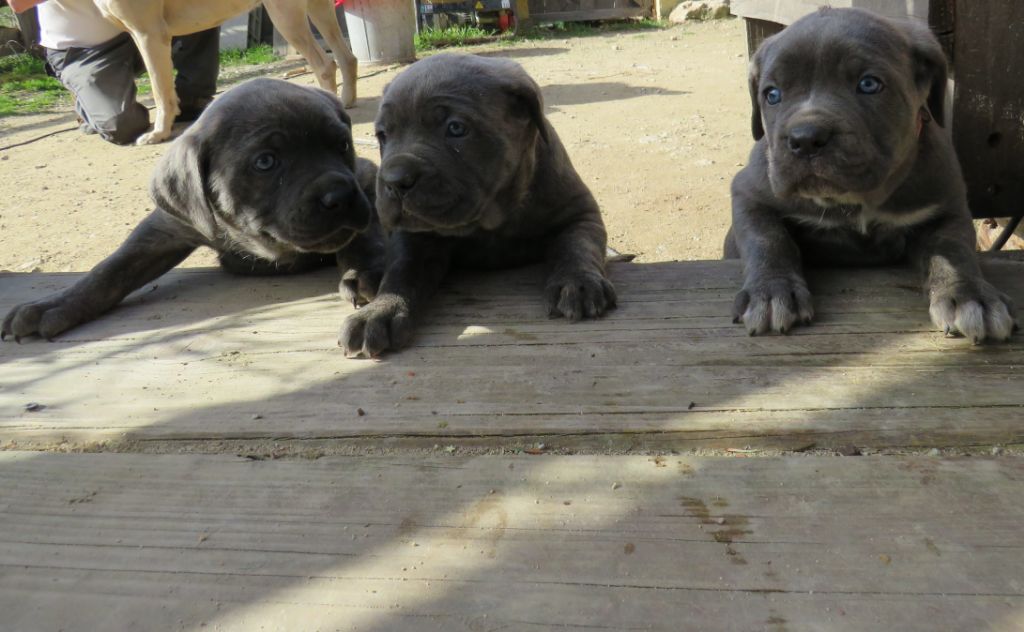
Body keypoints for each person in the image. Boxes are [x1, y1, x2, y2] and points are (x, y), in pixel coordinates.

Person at [9, 0, 220, 145]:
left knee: (200, 9)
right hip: (84, 52)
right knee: (124, 127)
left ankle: (192, 99)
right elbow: (17, 4)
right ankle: (87, 103)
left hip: (137, 32)